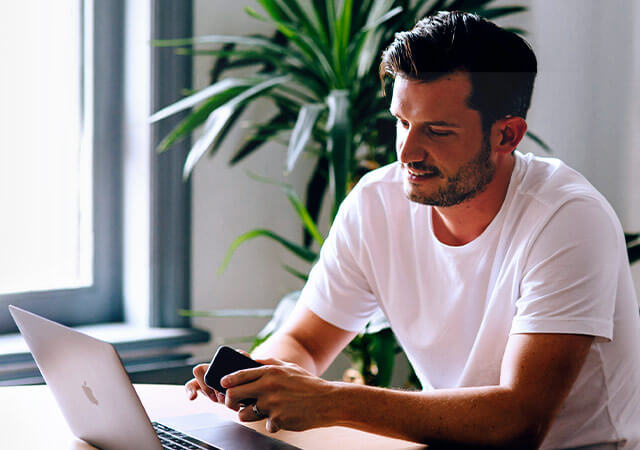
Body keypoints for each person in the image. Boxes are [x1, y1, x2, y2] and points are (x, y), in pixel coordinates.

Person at [186, 11, 640, 449]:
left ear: (507, 136)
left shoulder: (567, 219)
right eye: (402, 122)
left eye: (437, 131)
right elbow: (304, 340)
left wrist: (331, 401)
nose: (407, 152)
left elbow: (518, 421)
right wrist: (260, 376)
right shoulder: (375, 202)